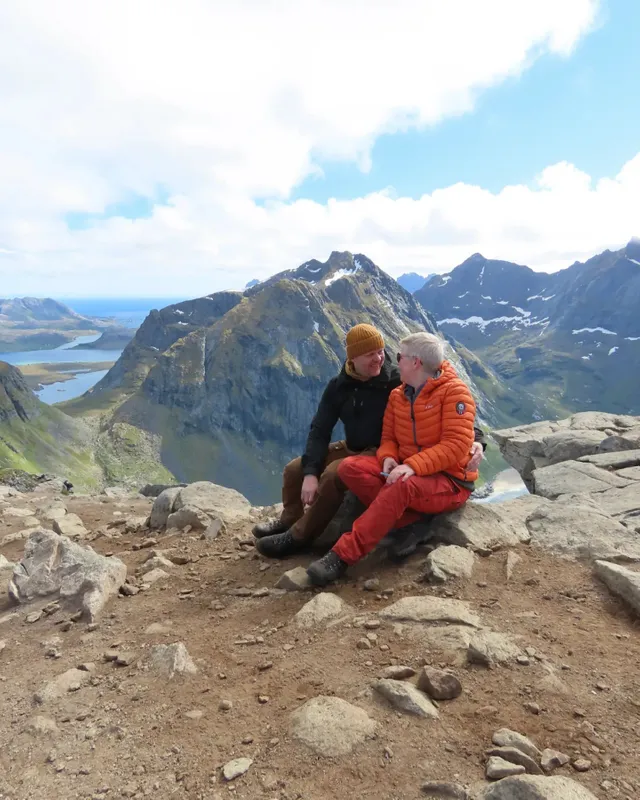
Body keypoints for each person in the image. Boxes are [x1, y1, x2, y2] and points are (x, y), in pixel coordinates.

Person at [254, 324, 485, 561]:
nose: (378, 359)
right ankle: (287, 520)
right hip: (355, 446)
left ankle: (299, 537)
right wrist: (310, 472)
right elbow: (320, 429)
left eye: (381, 352)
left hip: (378, 451)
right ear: (353, 358)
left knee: (334, 474)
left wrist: (476, 441)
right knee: (296, 469)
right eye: (370, 354)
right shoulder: (339, 386)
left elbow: (456, 417)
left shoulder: (398, 379)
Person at [306, 331, 479, 586]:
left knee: (401, 486)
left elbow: (456, 445)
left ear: (416, 362)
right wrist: (388, 457)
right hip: (411, 474)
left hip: (449, 480)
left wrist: (412, 465)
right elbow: (389, 438)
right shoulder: (399, 395)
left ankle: (341, 556)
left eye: (400, 356)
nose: (394, 361)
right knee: (349, 468)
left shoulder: (455, 393)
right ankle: (414, 521)